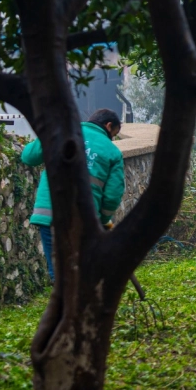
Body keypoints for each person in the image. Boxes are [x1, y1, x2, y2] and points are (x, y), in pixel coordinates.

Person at [22, 108, 127, 279]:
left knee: (59, 272)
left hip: (50, 215)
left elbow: (29, 157)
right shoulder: (112, 152)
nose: (112, 139)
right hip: (84, 219)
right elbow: (113, 195)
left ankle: (64, 301)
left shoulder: (61, 132)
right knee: (82, 269)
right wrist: (101, 219)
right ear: (108, 126)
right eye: (113, 134)